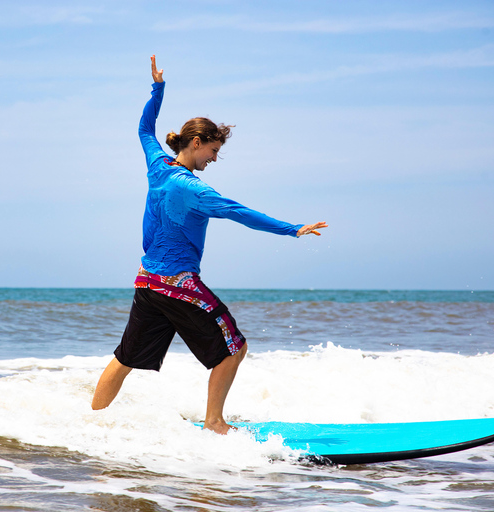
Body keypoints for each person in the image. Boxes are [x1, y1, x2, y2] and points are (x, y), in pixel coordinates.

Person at [91, 55, 327, 434]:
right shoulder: (193, 188)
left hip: (147, 282)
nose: (214, 159)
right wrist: (291, 229)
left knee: (125, 358)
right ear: (197, 143)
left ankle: (90, 424)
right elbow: (238, 211)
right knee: (234, 347)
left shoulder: (158, 165)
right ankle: (215, 423)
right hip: (177, 284)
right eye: (213, 151)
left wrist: (158, 91)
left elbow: (144, 130)